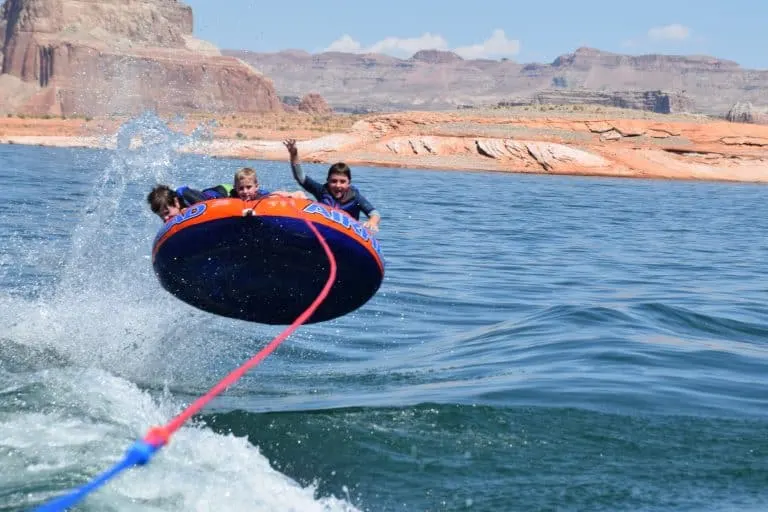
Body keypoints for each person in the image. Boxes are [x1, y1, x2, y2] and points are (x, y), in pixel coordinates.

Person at [283, 139, 381, 232]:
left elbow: (374, 213)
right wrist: (294, 154)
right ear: (328, 181)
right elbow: (301, 178)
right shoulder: (322, 191)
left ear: (349, 183)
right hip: (324, 230)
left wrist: (372, 222)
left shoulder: (355, 197)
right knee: (299, 195)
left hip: (348, 234)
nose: (338, 185)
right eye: (333, 181)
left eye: (342, 182)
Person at [232, 166, 306, 201]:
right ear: (235, 188)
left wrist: (294, 195)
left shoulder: (261, 197)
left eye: (248, 187)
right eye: (241, 188)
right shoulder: (232, 196)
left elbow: (275, 194)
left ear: (256, 186)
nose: (245, 191)